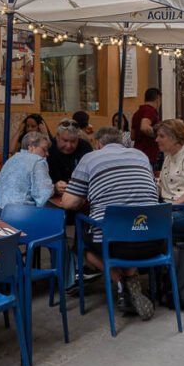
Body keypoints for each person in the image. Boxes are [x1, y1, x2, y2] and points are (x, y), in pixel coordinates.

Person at [59, 126, 159, 320]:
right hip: (152, 238)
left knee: (82, 241)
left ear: (98, 144)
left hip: (113, 242)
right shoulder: (141, 156)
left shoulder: (90, 158)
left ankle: (120, 280)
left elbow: (68, 203)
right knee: (127, 228)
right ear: (122, 142)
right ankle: (131, 280)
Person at [0, 131, 54, 211]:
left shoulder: (11, 159)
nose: (47, 154)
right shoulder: (37, 160)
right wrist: (54, 189)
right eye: (44, 149)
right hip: (20, 214)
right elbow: (44, 195)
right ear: (31, 147)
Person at [47, 119, 92, 197]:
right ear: (57, 136)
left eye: (73, 141)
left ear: (78, 138)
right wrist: (53, 188)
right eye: (65, 140)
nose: (69, 146)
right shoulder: (47, 148)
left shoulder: (85, 147)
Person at [131, 88, 162, 165]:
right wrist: (158, 135)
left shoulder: (137, 113)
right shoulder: (150, 111)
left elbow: (132, 136)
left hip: (137, 154)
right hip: (148, 155)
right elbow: (144, 127)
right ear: (158, 99)